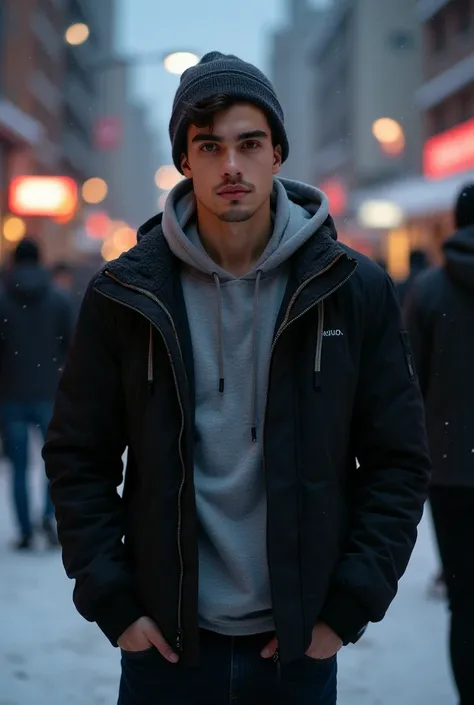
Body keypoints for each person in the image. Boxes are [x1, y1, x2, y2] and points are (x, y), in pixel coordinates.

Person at [43, 52, 430, 705]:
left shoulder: (351, 288)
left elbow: (397, 459)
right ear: (185, 160)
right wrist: (115, 601)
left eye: (249, 143)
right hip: (165, 649)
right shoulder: (124, 293)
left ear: (277, 153)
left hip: (296, 652)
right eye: (209, 145)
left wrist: (344, 608)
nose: (230, 165)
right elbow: (77, 455)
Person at [405, 183, 474, 705]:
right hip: (449, 460)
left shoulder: (429, 291)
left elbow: (411, 384)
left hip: (451, 468)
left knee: (466, 603)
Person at [0, 239, 72, 550]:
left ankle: (26, 531)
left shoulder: (2, 299)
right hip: (48, 393)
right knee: (53, 463)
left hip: (10, 393)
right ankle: (48, 517)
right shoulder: (58, 298)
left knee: (17, 467)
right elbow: (71, 345)